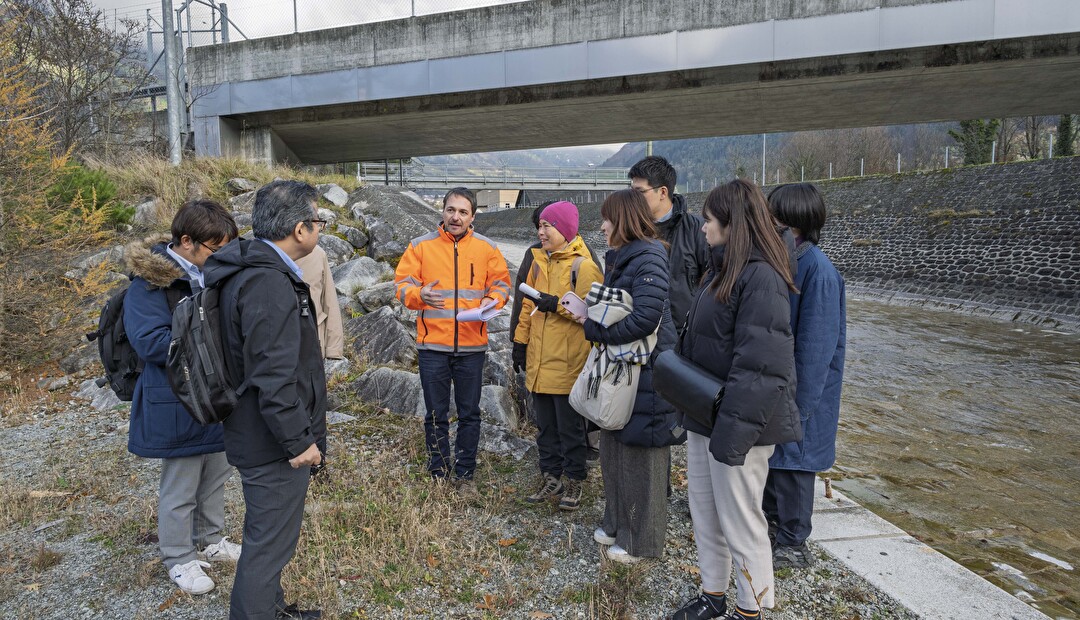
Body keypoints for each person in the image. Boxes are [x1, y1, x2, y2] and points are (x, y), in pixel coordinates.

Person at [668, 180, 800, 620]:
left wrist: (732, 435)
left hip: (739, 425)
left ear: (732, 224)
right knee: (705, 513)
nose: (702, 228)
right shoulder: (723, 268)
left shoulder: (761, 276)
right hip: (709, 414)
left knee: (742, 523)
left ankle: (751, 610)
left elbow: (762, 367)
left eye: (708, 220)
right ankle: (713, 596)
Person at [204, 180, 327, 620]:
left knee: (270, 539)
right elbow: (274, 379)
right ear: (299, 229)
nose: (320, 230)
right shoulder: (267, 284)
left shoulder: (250, 270)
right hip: (270, 441)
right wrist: (299, 442)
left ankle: (273, 610)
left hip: (256, 430)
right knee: (267, 547)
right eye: (319, 222)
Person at [123, 200, 241, 595]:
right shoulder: (149, 283)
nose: (222, 255)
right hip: (177, 396)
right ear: (187, 241)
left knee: (216, 470)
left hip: (214, 392)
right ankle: (178, 557)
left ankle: (211, 537)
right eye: (215, 247)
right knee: (181, 482)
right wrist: (208, 340)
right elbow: (150, 342)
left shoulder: (214, 274)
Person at [584, 189, 683, 564]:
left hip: (649, 372)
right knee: (615, 449)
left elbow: (644, 319)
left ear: (623, 219)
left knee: (644, 458)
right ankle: (616, 524)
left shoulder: (650, 256)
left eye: (607, 218)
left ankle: (642, 542)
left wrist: (594, 330)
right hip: (625, 370)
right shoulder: (623, 256)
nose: (603, 225)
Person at [394, 187, 512, 488]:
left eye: (462, 212)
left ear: (473, 216)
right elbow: (401, 287)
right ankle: (438, 470)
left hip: (472, 346)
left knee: (470, 413)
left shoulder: (487, 248)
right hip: (433, 345)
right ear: (442, 211)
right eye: (450, 210)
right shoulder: (420, 246)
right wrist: (420, 294)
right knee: (435, 413)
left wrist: (493, 301)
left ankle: (465, 473)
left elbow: (501, 285)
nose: (455, 216)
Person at [763, 183, 847, 570]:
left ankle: (795, 544)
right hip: (782, 388)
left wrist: (800, 405)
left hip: (803, 393)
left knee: (795, 466)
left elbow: (816, 350)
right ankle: (773, 528)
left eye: (773, 216)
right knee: (776, 464)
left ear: (792, 222)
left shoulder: (819, 270)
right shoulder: (789, 260)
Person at [512, 201, 603, 510]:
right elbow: (527, 307)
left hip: (568, 363)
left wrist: (558, 306)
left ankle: (576, 479)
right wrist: (520, 343)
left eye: (547, 226)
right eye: (540, 226)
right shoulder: (539, 262)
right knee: (546, 427)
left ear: (564, 229)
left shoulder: (583, 266)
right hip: (539, 359)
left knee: (571, 428)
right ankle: (551, 475)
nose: (541, 231)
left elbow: (594, 314)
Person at [628, 156, 709, 333]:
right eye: (631, 191)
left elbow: (714, 284)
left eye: (639, 192)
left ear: (663, 192)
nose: (632, 198)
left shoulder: (699, 230)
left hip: (684, 337)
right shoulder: (629, 232)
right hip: (639, 338)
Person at [296, 244, 345, 359]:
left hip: (313, 343)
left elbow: (329, 300)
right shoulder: (265, 253)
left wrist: (334, 349)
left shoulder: (317, 254)